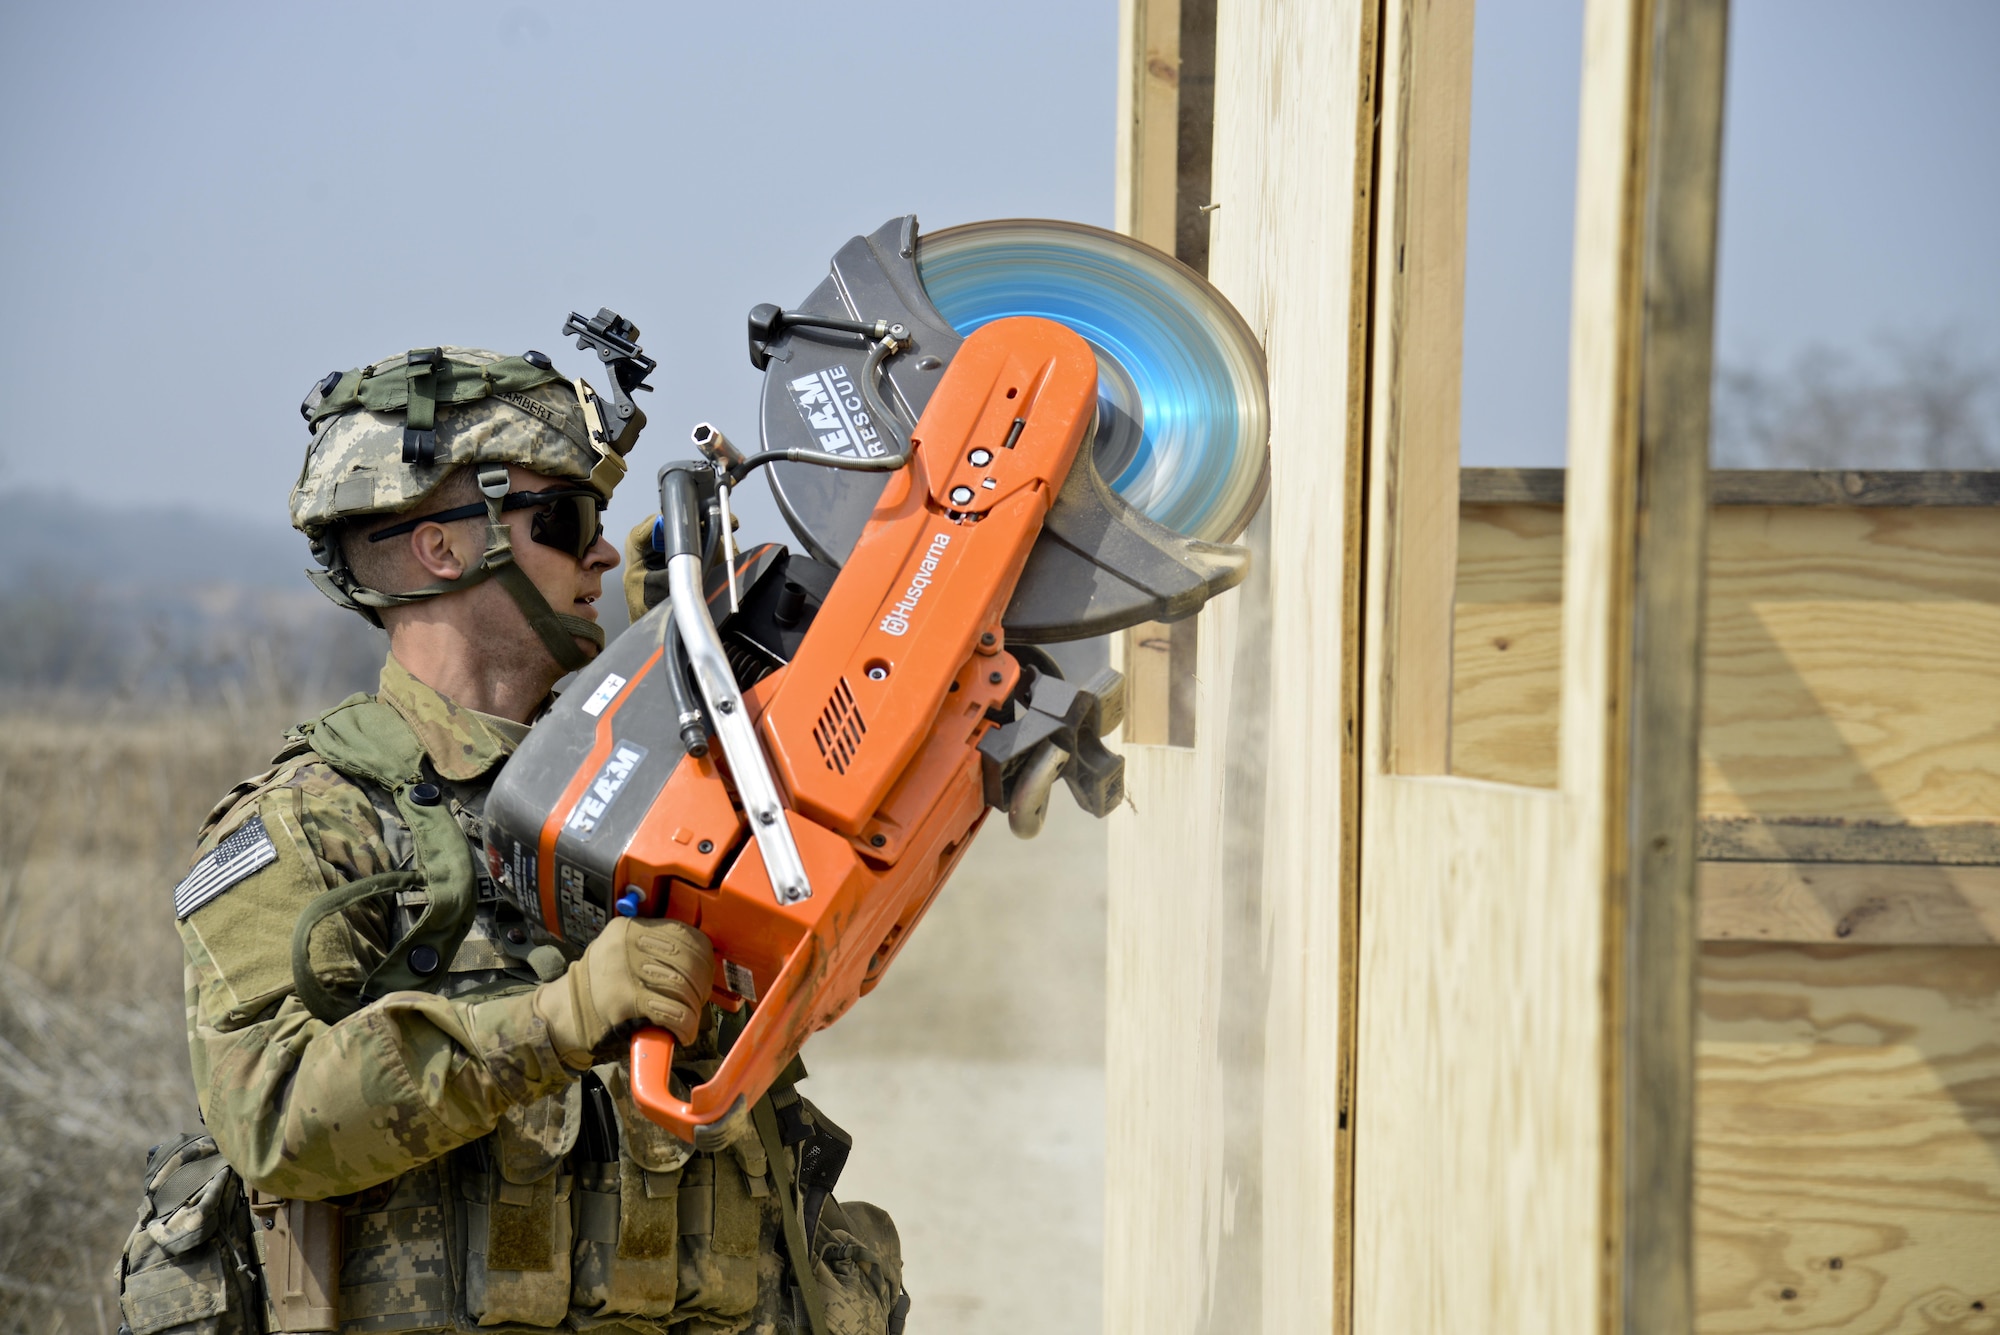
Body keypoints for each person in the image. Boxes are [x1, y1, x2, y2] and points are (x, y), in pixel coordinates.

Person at [144, 346, 907, 1335]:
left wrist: (706, 688)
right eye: (565, 521)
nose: (599, 553)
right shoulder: (313, 821)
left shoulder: (669, 788)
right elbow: (272, 1114)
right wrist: (557, 1019)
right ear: (442, 550)